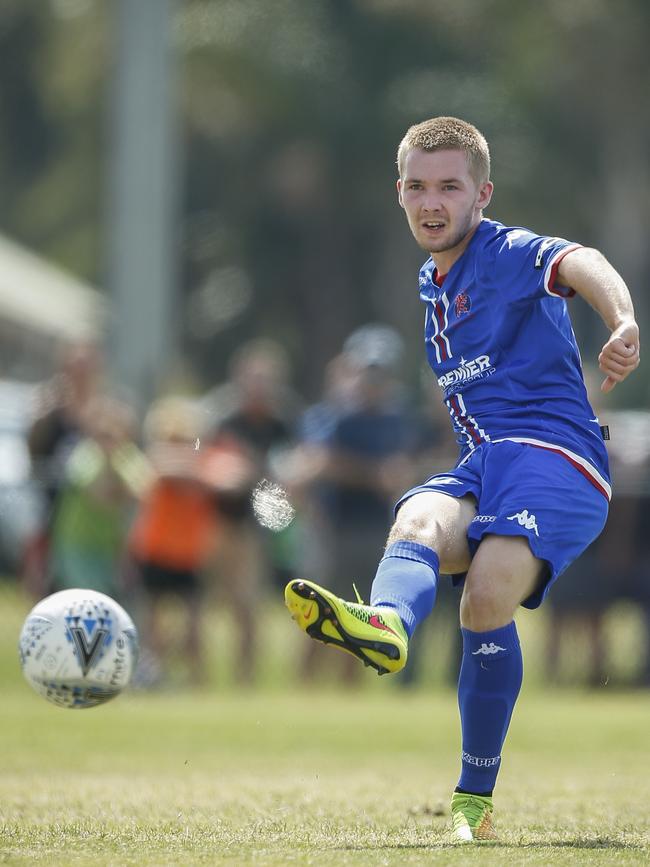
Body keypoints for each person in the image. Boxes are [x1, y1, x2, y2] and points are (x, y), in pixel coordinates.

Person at [284, 116, 640, 843]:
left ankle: (472, 798)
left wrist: (624, 320)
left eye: (449, 186)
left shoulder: (505, 250)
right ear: (399, 193)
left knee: (484, 594)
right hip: (486, 465)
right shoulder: (432, 283)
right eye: (417, 186)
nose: (431, 201)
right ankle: (385, 627)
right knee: (416, 522)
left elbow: (583, 260)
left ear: (483, 193)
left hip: (558, 459)